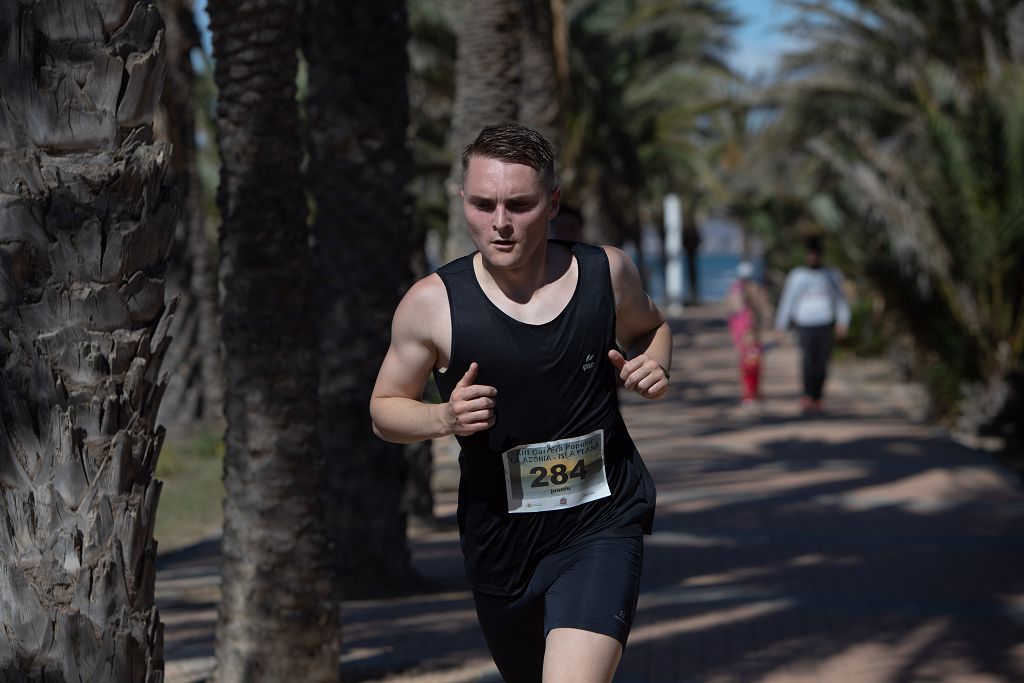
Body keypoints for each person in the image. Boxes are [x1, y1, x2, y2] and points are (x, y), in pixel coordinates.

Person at [370, 122, 671, 683]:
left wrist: (656, 362)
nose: (500, 223)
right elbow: (384, 407)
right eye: (483, 204)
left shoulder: (606, 273)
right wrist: (442, 417)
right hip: (500, 543)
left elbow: (653, 327)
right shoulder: (432, 305)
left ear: (552, 202)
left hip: (600, 524)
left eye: (519, 204)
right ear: (463, 201)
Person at [773, 236, 851, 414]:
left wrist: (843, 321)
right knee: (808, 361)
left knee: (823, 362)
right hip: (805, 324)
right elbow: (787, 301)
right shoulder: (797, 275)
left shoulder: (832, 274)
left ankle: (818, 396)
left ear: (820, 255)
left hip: (824, 323)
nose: (812, 258)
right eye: (809, 254)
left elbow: (840, 299)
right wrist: (780, 326)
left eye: (815, 254)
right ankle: (807, 395)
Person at [726, 261, 773, 412]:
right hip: (744, 332)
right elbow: (733, 310)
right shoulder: (739, 291)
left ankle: (754, 394)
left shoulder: (747, 289)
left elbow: (763, 309)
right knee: (749, 364)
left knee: (753, 363)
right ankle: (750, 394)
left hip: (749, 332)